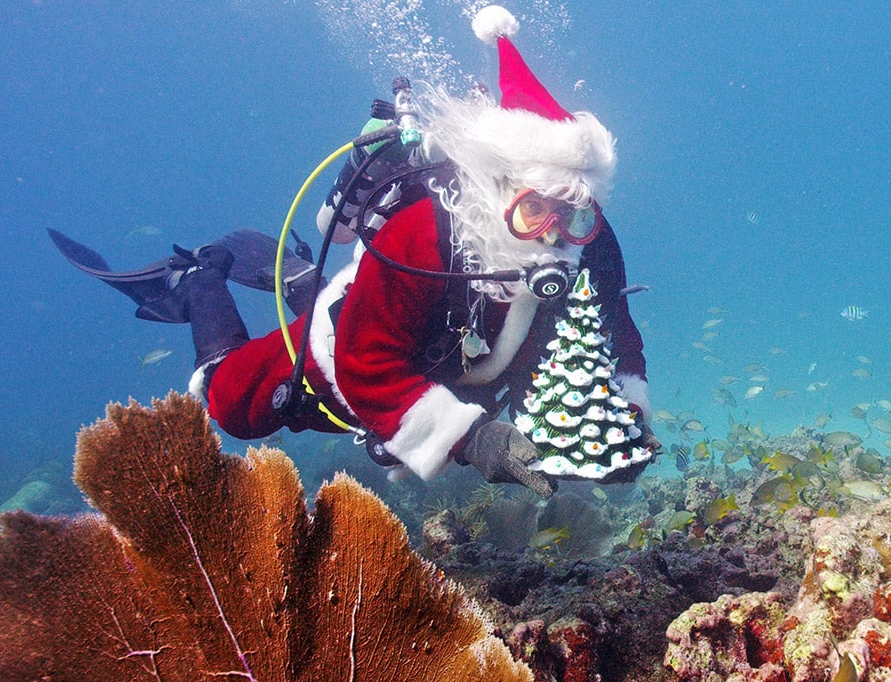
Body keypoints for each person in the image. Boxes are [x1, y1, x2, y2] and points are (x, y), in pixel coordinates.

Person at [51, 6, 657, 498]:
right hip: (349, 351)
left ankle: (299, 276)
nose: (555, 233)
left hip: (449, 357)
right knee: (231, 405)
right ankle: (200, 279)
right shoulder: (422, 234)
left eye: (573, 214)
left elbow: (615, 326)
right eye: (533, 210)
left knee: (388, 313)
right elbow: (365, 363)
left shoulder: (590, 236)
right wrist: (470, 443)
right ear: (497, 189)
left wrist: (629, 413)